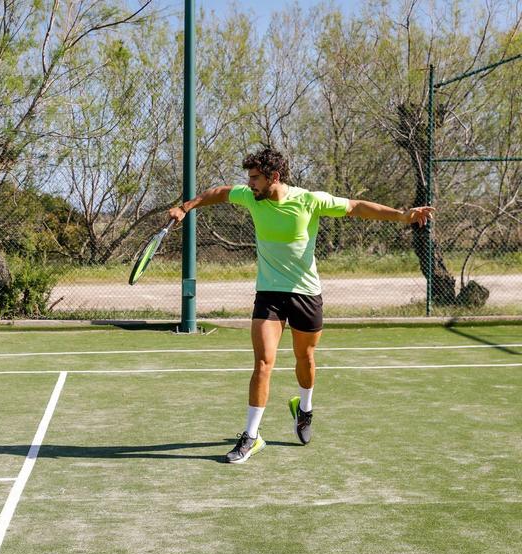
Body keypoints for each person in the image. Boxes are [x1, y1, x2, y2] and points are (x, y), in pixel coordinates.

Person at [168, 147, 434, 464]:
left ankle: (304, 408)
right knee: (263, 363)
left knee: (305, 357)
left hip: (306, 295)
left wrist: (402, 215)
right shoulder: (250, 196)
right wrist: (186, 207)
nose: (249, 184)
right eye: (249, 178)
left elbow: (357, 206)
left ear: (274, 177)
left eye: (255, 178)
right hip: (269, 294)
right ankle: (251, 436)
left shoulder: (309, 200)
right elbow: (219, 193)